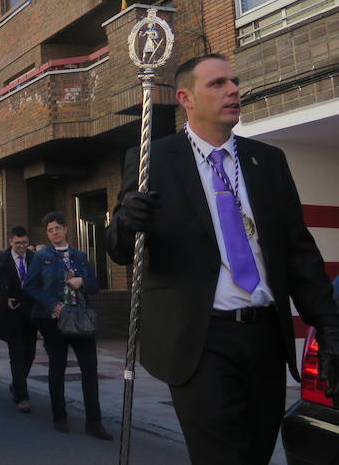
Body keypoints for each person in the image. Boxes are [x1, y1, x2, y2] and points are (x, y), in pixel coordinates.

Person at [106, 53, 339, 463]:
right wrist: (126, 220)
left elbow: (298, 251)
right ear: (186, 98)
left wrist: (330, 325)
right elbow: (121, 250)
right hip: (200, 341)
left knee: (256, 452)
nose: (233, 90)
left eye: (234, 82)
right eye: (217, 84)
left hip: (266, 335)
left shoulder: (266, 160)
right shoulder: (153, 160)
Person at [24, 212, 111, 439]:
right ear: (47, 233)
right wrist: (52, 304)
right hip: (53, 320)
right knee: (57, 367)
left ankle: (94, 422)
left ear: (65, 229)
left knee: (90, 369)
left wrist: (82, 281)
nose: (54, 233)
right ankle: (59, 415)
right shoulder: (41, 257)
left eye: (58, 228)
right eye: (50, 230)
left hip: (80, 319)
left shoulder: (80, 256)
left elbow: (94, 286)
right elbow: (30, 286)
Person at [0, 228, 37, 413]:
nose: (21, 247)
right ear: (10, 242)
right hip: (10, 315)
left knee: (29, 354)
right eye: (17, 243)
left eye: (24, 243)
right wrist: (3, 299)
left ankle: (17, 384)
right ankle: (22, 396)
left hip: (30, 314)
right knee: (17, 353)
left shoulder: (34, 259)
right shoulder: (1, 261)